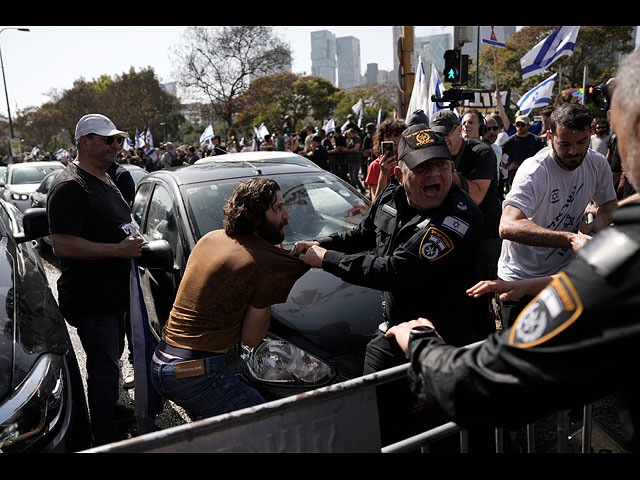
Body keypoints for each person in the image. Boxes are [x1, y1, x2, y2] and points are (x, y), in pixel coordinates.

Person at [292, 124, 492, 375]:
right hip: (398, 328)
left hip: (446, 338)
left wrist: (326, 259)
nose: (434, 174)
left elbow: (396, 270)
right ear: (399, 175)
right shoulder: (390, 196)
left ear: (452, 169)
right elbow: (363, 235)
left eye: (442, 165)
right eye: (422, 167)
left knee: (442, 411)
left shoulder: (458, 218)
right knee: (375, 399)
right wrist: (321, 244)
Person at [150, 178, 309, 421]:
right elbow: (252, 338)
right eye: (278, 208)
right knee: (268, 424)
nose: (287, 215)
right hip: (194, 373)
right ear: (256, 217)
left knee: (218, 432)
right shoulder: (261, 262)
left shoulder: (210, 238)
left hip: (162, 361)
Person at [47, 113, 144, 446]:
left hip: (115, 295)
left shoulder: (106, 177)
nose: (115, 145)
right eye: (107, 140)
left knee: (110, 364)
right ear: (84, 142)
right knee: (103, 368)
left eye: (118, 139)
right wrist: (118, 250)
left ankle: (111, 413)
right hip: (94, 298)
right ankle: (103, 437)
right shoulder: (69, 186)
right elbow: (62, 244)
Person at [497, 102, 618, 328]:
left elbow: (609, 203)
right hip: (521, 282)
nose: (573, 151)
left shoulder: (597, 163)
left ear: (590, 132)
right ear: (550, 136)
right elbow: (507, 226)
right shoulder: (533, 171)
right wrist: (569, 238)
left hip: (564, 279)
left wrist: (600, 219)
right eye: (564, 144)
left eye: (581, 142)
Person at [431, 109, 502, 286]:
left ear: (458, 130)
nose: (442, 138)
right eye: (437, 134)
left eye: (446, 133)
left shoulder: (481, 152)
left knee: (485, 287)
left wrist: (449, 169)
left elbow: (477, 196)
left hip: (485, 233)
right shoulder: (434, 153)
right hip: (453, 231)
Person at [364, 118, 407, 203]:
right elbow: (375, 204)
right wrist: (383, 173)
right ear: (382, 139)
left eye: (396, 135)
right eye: (387, 136)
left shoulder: (411, 159)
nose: (392, 139)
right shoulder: (375, 166)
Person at [501, 115, 547, 191]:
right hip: (514, 178)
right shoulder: (510, 140)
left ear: (528, 126)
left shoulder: (536, 140)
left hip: (532, 177)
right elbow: (498, 153)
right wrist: (506, 166)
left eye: (522, 125)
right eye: (517, 125)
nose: (520, 127)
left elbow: (543, 157)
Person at [344, 128, 365, 194]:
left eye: (350, 134)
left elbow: (356, 148)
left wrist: (348, 151)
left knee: (355, 176)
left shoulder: (357, 138)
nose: (349, 136)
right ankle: (354, 190)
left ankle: (362, 189)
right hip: (350, 160)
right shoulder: (351, 140)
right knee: (351, 177)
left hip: (356, 160)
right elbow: (347, 147)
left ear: (353, 133)